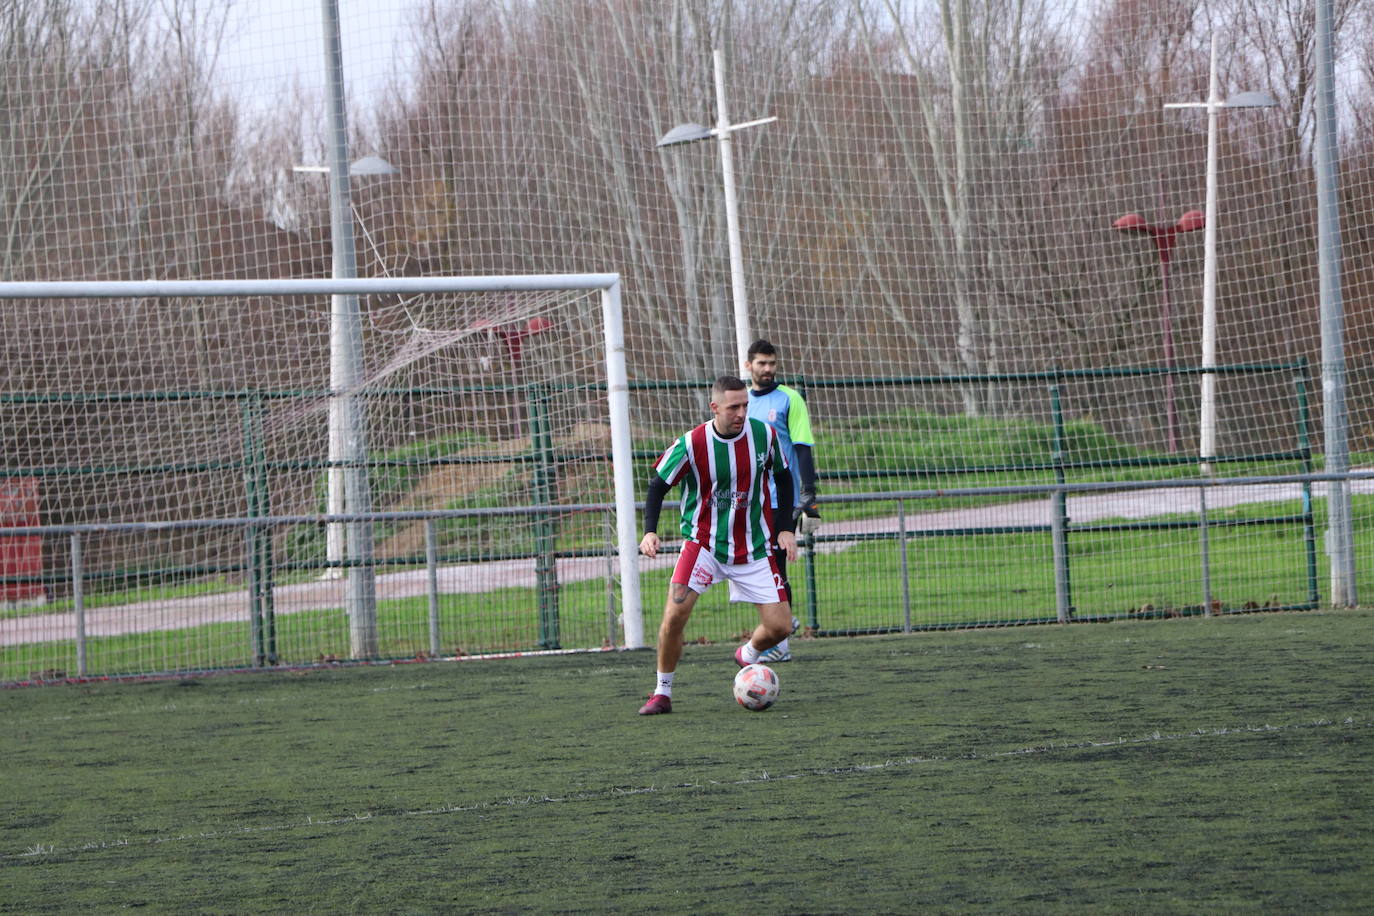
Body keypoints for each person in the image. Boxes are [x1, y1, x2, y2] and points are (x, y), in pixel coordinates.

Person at [636, 374, 800, 716]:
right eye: (733, 407)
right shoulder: (692, 443)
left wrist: (785, 528)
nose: (741, 412)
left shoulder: (764, 435)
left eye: (745, 405)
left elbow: (784, 479)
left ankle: (748, 654)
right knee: (674, 615)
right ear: (715, 407)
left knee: (781, 627)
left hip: (754, 546)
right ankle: (662, 693)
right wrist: (649, 530)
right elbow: (657, 486)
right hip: (704, 545)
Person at [744, 339, 820, 662]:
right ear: (748, 366)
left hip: (780, 500)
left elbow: (802, 448)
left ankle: (781, 643)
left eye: (772, 363)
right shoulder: (741, 402)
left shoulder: (790, 399)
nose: (768, 369)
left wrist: (809, 500)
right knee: (752, 567)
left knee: (775, 568)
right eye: (761, 363)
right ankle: (783, 622)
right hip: (749, 502)